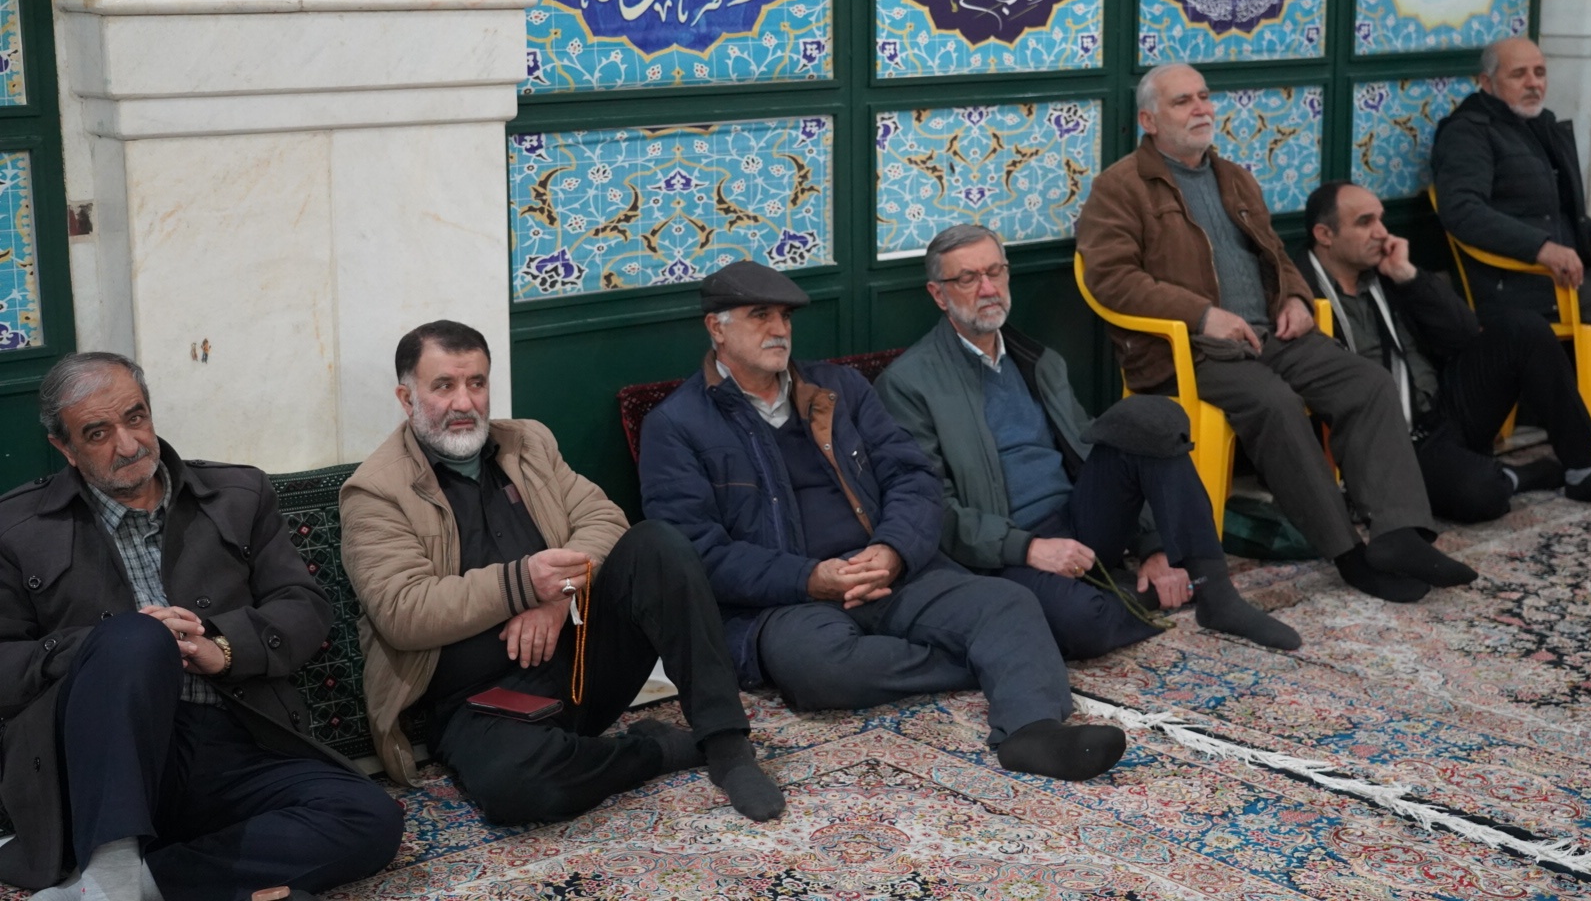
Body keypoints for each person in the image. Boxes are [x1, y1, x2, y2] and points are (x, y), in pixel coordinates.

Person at [638, 261, 1129, 784]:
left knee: (1010, 603)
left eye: (785, 316)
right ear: (716, 328)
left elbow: (913, 477)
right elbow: (698, 551)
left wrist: (894, 549)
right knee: (817, 667)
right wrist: (810, 577)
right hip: (787, 601)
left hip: (889, 570)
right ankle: (990, 658)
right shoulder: (676, 424)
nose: (779, 329)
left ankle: (1032, 731)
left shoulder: (839, 388)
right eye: (760, 315)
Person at [340, 321, 783, 826]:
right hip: (476, 702)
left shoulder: (526, 443)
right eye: (444, 386)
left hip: (578, 662)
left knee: (658, 545)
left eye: (477, 383)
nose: (464, 402)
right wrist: (523, 584)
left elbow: (605, 519)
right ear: (407, 397)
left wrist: (558, 595)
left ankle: (727, 747)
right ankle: (656, 751)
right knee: (516, 787)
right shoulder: (375, 492)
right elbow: (402, 610)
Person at [0, 352, 403, 901]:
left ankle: (121, 887)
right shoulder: (17, 528)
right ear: (64, 448)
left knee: (371, 819)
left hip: (230, 739)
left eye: (136, 418)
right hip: (97, 763)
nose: (128, 445)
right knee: (137, 638)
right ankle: (114, 860)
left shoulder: (239, 494)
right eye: (98, 433)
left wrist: (223, 646)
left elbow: (305, 606)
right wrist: (101, 647)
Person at [1077, 62, 1476, 604]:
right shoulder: (1119, 187)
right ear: (1148, 120)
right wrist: (1203, 315)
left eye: (1204, 96)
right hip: (1191, 351)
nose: (1201, 108)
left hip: (1270, 336)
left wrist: (1294, 297)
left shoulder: (1234, 178)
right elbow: (1110, 278)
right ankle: (1348, 554)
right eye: (1182, 101)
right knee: (1276, 405)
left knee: (1366, 383)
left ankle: (1399, 536)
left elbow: (1276, 255)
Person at [875, 224, 1299, 656]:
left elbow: (1091, 448)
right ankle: (1127, 594)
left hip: (1080, 519)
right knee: (1082, 623)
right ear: (938, 294)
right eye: (968, 278)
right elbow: (932, 509)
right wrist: (1029, 548)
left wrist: (1154, 547)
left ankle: (1216, 595)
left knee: (1147, 422)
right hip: (1008, 548)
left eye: (995, 271)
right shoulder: (908, 385)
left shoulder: (1038, 360)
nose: (988, 288)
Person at [1303, 182, 1591, 522]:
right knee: (1480, 493)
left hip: (1441, 411)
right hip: (1383, 439)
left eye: (1381, 219)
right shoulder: (1300, 291)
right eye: (1365, 222)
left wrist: (1409, 277)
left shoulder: (1387, 270)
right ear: (1324, 234)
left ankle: (1582, 469)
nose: (1381, 232)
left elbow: (1465, 334)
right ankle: (1513, 476)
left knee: (1525, 329)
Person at [1432, 35, 1591, 445]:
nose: (1534, 83)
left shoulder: (1539, 125)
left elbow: (1558, 212)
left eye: (1540, 72)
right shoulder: (1469, 133)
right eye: (1519, 74)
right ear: (1486, 82)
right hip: (1520, 283)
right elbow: (1462, 211)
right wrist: (1541, 248)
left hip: (1566, 272)